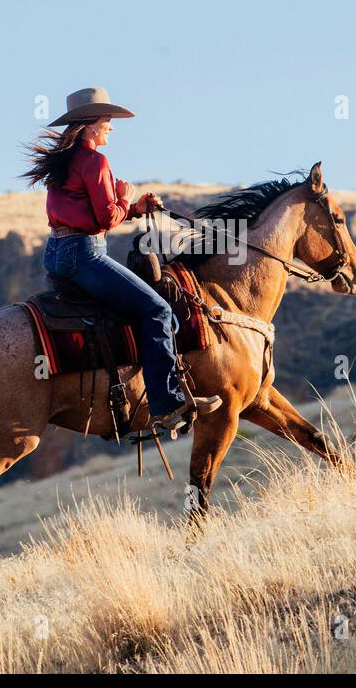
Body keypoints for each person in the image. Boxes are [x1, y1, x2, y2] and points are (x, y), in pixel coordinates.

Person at [21, 87, 222, 432]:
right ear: (90, 125)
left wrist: (134, 208)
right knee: (157, 310)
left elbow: (85, 212)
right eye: (107, 120)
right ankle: (167, 404)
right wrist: (125, 198)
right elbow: (103, 219)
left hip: (57, 254)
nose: (111, 127)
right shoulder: (95, 161)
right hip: (84, 254)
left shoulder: (64, 162)